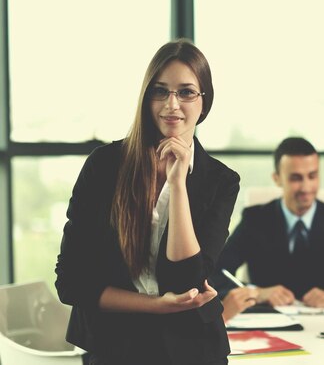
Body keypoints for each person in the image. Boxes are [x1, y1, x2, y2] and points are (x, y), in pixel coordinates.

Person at [55, 39, 240, 365]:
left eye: (186, 92)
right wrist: (156, 305)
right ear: (146, 97)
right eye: (160, 91)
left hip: (194, 349)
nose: (172, 104)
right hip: (114, 347)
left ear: (203, 101)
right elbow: (71, 283)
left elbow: (187, 282)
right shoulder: (104, 166)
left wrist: (178, 184)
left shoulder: (221, 181)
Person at [213, 137, 324, 309]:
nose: (306, 187)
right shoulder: (255, 219)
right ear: (277, 178)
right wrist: (256, 293)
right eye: (296, 178)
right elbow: (215, 274)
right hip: (268, 322)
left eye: (312, 176)